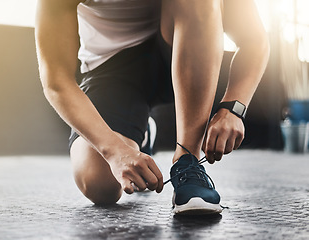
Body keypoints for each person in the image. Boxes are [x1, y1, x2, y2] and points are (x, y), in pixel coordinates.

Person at [35, 0, 269, 215]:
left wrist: (233, 108)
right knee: (99, 184)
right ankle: (142, 135)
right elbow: (56, 82)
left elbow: (254, 40)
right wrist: (115, 150)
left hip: (188, 49)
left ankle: (187, 163)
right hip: (112, 69)